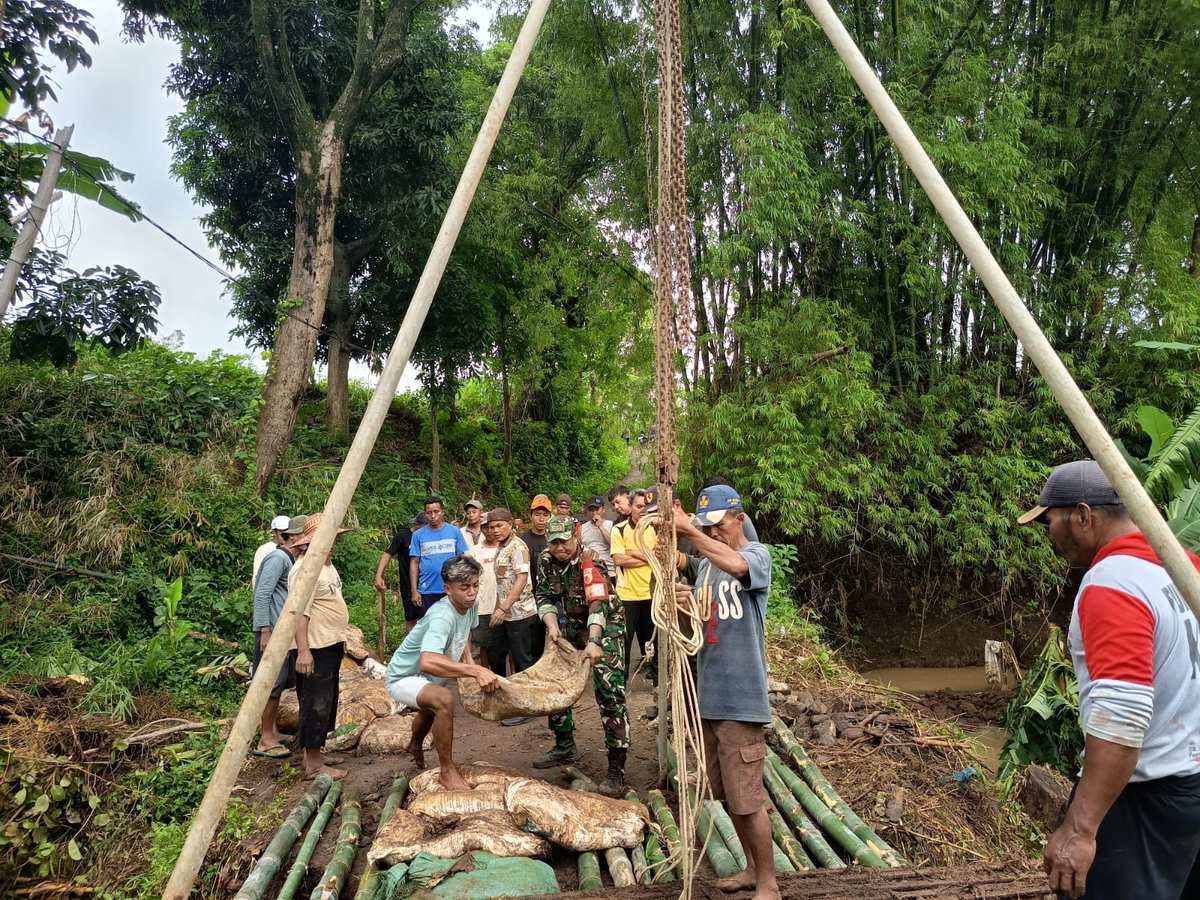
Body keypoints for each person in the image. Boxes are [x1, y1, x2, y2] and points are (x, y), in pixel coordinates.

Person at [1018, 459, 1200, 900]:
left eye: (1050, 519)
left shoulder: (1113, 583)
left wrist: (1080, 829)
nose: (1048, 533)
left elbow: (1122, 715)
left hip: (1145, 797)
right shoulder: (1181, 569)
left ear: (1083, 516)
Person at [672, 482, 777, 900]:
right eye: (706, 527)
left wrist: (693, 533)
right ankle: (751, 870)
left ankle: (769, 883)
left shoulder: (755, 557)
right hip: (709, 695)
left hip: (741, 698)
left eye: (718, 525)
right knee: (728, 795)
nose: (712, 532)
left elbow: (736, 566)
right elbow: (702, 595)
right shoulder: (707, 567)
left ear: (738, 517)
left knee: (748, 798)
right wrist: (683, 595)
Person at [532, 516, 628, 796]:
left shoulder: (590, 560)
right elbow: (544, 596)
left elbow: (597, 602)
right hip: (570, 626)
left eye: (564, 541)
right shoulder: (546, 560)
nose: (560, 547)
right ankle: (564, 746)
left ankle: (616, 768)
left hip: (605, 626)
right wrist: (551, 627)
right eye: (554, 542)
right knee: (556, 684)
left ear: (576, 536)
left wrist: (595, 641)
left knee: (609, 690)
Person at [385, 555, 498, 790]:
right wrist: (474, 669)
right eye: (464, 587)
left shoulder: (469, 604)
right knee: (443, 701)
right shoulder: (441, 616)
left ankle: (414, 744)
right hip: (404, 677)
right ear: (447, 589)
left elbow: (464, 632)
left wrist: (468, 661)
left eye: (475, 585)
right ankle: (447, 771)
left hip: (433, 676)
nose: (472, 592)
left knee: (430, 710)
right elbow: (427, 661)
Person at [292, 513, 353, 780]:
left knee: (325, 700)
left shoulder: (327, 566)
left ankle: (314, 754)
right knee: (315, 702)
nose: (333, 543)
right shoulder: (306, 569)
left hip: (329, 642)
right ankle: (314, 765)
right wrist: (303, 651)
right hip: (314, 647)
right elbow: (298, 613)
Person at [250, 515, 307, 759]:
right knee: (271, 683)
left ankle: (271, 731)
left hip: (281, 632)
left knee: (280, 681)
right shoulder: (277, 558)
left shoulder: (288, 559)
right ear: (292, 538)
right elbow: (262, 594)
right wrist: (264, 630)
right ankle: (266, 738)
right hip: (272, 631)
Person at [486, 508, 538, 725]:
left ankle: (527, 707)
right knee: (495, 653)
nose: (495, 530)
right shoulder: (502, 548)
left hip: (521, 614)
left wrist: (504, 607)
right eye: (491, 527)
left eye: (500, 526)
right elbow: (502, 584)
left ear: (511, 524)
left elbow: (521, 580)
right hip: (505, 614)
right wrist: (497, 609)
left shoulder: (518, 547)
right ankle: (503, 699)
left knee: (522, 660)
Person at [610, 489, 655, 683]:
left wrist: (633, 552)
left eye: (646, 506)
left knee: (652, 642)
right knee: (624, 642)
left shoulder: (656, 528)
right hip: (627, 595)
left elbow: (661, 559)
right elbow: (619, 559)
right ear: (631, 507)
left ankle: (658, 685)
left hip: (652, 593)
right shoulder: (619, 529)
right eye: (638, 506)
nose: (642, 510)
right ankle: (622, 684)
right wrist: (648, 556)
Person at [409, 496, 470, 611]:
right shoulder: (418, 535)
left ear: (443, 512)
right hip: (427, 590)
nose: (433, 516)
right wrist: (414, 590)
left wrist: (463, 585)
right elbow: (414, 562)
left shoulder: (455, 532)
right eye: (429, 513)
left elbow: (461, 560)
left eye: (436, 511)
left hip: (452, 588)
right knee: (429, 625)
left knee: (452, 624)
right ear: (425, 514)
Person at [375, 513, 422, 633]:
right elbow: (387, 554)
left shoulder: (430, 536)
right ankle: (411, 650)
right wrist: (379, 575)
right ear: (417, 524)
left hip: (428, 584)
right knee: (411, 618)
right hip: (408, 584)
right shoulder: (403, 536)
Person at [467, 511, 502, 668]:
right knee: (484, 646)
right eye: (485, 527)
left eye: (492, 526)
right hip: (482, 606)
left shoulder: (506, 548)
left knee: (504, 647)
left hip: (503, 606)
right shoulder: (474, 552)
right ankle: (486, 674)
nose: (489, 530)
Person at [522, 494, 554, 658]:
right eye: (537, 514)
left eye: (545, 515)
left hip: (553, 596)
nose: (541, 519)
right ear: (531, 516)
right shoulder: (522, 540)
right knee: (533, 641)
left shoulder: (554, 539)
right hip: (530, 597)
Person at [580, 495, 615, 578]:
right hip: (589, 570)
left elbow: (614, 545)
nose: (594, 513)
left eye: (597, 509)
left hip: (610, 571)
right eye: (591, 510)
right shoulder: (582, 528)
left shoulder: (611, 525)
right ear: (587, 512)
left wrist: (600, 527)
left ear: (603, 510)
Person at [253, 514, 291, 589]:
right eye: (282, 533)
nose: (286, 536)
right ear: (274, 532)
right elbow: (257, 577)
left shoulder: (293, 548)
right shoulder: (265, 549)